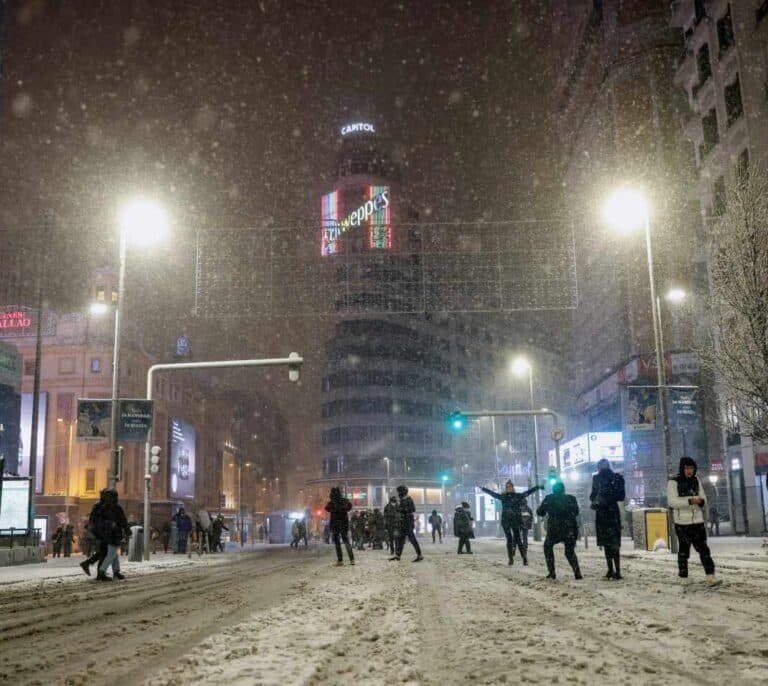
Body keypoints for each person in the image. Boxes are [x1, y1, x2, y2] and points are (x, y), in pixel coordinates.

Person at [667, 457, 720, 586]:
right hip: (682, 522)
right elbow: (672, 502)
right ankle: (683, 576)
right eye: (687, 468)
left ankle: (710, 576)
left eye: (691, 468)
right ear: (682, 469)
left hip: (697, 521)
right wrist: (690, 501)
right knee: (684, 550)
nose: (689, 471)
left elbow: (703, 498)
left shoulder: (696, 480)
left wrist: (700, 501)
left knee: (704, 550)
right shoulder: (673, 482)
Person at [480, 480, 543, 565]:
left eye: (510, 487)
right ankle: (510, 559)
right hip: (506, 521)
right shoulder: (503, 497)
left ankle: (524, 558)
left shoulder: (517, 496)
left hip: (515, 520)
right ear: (506, 488)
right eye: (507, 487)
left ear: (513, 488)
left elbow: (528, 492)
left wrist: (538, 487)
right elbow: (492, 494)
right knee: (509, 540)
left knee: (518, 539)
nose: (508, 488)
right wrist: (483, 489)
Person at [537, 481, 582, 581]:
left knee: (548, 547)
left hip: (555, 529)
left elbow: (540, 512)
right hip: (569, 528)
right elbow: (576, 512)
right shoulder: (571, 498)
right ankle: (577, 571)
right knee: (569, 552)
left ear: (553, 490)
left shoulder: (549, 498)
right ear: (564, 489)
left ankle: (552, 572)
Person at [590, 458, 626, 580]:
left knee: (606, 544)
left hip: (602, 513)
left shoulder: (597, 478)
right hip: (613, 513)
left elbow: (592, 496)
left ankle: (610, 569)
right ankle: (617, 570)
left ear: (598, 467)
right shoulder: (616, 478)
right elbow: (621, 496)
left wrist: (599, 497)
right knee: (614, 543)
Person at [96, 489, 129, 581]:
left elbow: (99, 521)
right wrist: (127, 530)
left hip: (106, 534)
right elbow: (123, 520)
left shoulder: (103, 508)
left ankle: (116, 571)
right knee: (112, 554)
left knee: (114, 553)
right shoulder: (116, 508)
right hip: (113, 534)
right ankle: (102, 572)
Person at [80, 489, 109, 576]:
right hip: (99, 532)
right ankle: (99, 572)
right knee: (103, 551)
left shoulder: (100, 505)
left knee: (103, 551)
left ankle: (90, 565)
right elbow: (96, 520)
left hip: (99, 531)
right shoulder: (100, 505)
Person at [391, 485, 423, 562]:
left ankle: (419, 555)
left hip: (408, 522)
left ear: (403, 491)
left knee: (412, 539)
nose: (399, 493)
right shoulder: (401, 500)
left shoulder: (408, 499)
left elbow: (412, 509)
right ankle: (398, 555)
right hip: (403, 522)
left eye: (399, 491)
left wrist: (403, 510)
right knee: (401, 540)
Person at [325, 486, 354, 566]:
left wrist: (334, 506)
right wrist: (343, 507)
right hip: (343, 524)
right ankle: (352, 559)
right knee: (346, 541)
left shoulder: (332, 503)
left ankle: (340, 560)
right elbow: (349, 507)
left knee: (337, 543)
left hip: (335, 525)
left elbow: (326, 508)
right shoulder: (344, 501)